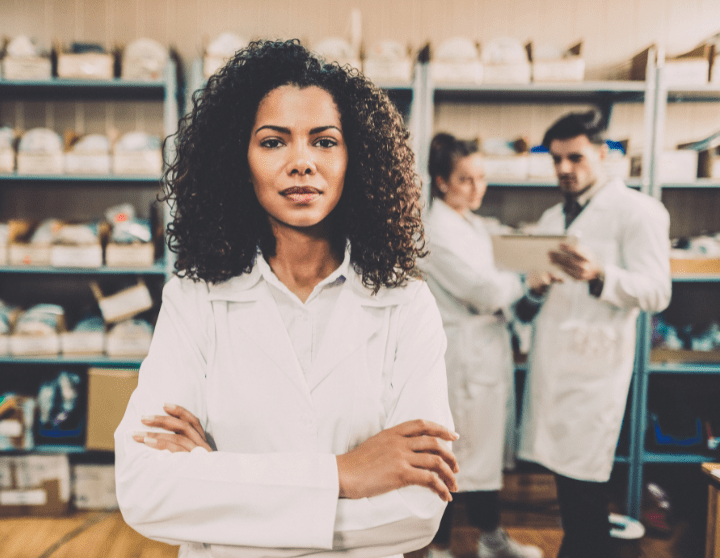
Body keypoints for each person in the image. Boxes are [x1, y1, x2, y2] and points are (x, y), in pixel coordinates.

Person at [114, 39, 460, 558]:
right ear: (238, 159)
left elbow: (417, 509)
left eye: (324, 141)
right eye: (274, 142)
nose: (302, 162)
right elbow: (146, 491)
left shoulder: (406, 304)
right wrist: (344, 474)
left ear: (356, 157)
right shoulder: (195, 299)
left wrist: (213, 481)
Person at [515, 110, 671, 558]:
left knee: (585, 493)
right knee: (571, 495)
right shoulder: (551, 218)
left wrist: (600, 275)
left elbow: (657, 291)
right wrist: (535, 288)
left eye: (576, 157)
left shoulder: (639, 212)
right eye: (556, 159)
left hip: (595, 373)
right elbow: (531, 306)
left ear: (603, 154)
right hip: (554, 369)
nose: (564, 168)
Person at [420, 133, 543, 558]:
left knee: (482, 457)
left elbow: (495, 286)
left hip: (486, 351)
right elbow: (485, 291)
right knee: (455, 456)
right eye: (465, 179)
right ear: (441, 182)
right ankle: (439, 547)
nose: (477, 188)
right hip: (462, 357)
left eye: (481, 178)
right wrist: (522, 280)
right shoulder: (434, 231)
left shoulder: (472, 225)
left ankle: (490, 538)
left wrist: (516, 286)